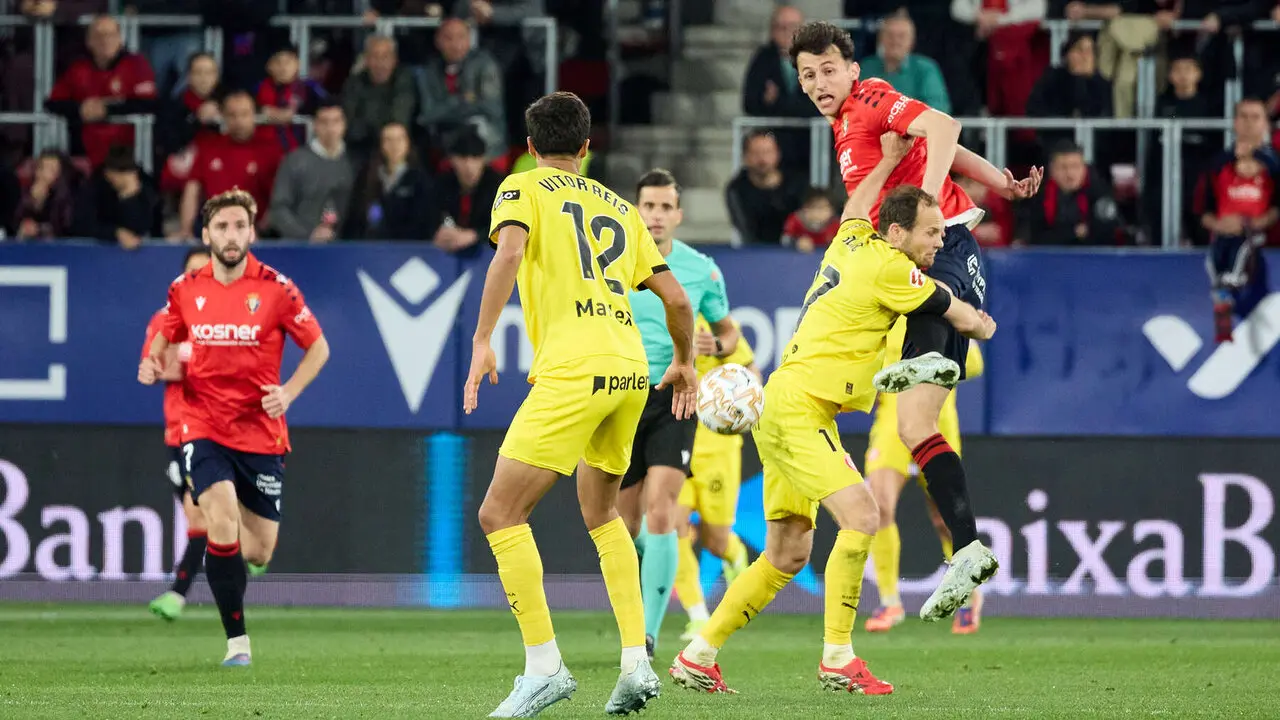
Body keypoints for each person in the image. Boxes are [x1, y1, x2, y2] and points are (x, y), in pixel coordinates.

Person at [669, 133, 996, 696]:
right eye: (932, 232)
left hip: (788, 405)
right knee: (864, 515)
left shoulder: (850, 239)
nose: (940, 241)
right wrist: (982, 323)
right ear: (898, 234)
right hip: (799, 410)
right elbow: (958, 314)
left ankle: (699, 655)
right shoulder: (893, 270)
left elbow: (854, 206)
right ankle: (838, 657)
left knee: (786, 553)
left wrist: (888, 161)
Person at [789, 20, 1041, 621]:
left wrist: (927, 206)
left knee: (926, 310)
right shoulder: (846, 122)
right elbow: (940, 146)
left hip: (942, 248)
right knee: (914, 425)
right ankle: (969, 549)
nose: (819, 82)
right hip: (926, 258)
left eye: (828, 70)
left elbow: (944, 126)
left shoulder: (870, 98)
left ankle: (950, 338)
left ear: (853, 70)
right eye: (807, 75)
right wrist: (999, 182)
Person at [462, 92, 697, 718]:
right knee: (603, 514)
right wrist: (684, 362)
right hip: (629, 370)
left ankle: (544, 668)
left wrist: (482, 339)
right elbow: (676, 300)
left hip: (574, 369)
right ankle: (636, 661)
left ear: (529, 147)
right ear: (587, 148)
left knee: (499, 513)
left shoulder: (521, 187)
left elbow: (510, 252)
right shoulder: (620, 207)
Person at [137, 189, 331, 667]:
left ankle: (239, 565)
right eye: (222, 227)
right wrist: (152, 359)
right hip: (202, 424)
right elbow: (167, 330)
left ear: (251, 232)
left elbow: (319, 347)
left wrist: (288, 392)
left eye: (239, 226)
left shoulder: (276, 289)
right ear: (207, 233)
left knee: (259, 550)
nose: (231, 235)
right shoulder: (186, 288)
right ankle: (237, 644)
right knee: (219, 519)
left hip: (261, 432)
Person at [617, 168, 740, 661]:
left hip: (675, 397)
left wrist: (717, 346)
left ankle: (645, 636)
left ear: (679, 215)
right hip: (621, 396)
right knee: (623, 526)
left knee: (663, 511)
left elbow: (729, 332)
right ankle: (637, 607)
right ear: (636, 210)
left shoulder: (702, 270)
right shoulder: (612, 260)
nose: (656, 215)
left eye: (665, 207)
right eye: (649, 206)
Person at [864, 320, 985, 635]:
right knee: (879, 505)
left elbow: (974, 363)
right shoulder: (882, 312)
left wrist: (928, 367)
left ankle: (967, 594)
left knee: (943, 518)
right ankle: (889, 601)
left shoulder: (943, 311)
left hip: (935, 419)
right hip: (892, 421)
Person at [672, 316, 757, 642]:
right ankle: (698, 616)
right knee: (671, 529)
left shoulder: (715, 322)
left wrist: (721, 356)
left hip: (718, 449)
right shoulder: (658, 318)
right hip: (676, 442)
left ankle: (734, 555)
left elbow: (752, 374)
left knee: (715, 542)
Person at [146, 246, 212, 621]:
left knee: (201, 516)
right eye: (192, 272)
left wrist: (186, 359)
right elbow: (160, 367)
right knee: (200, 518)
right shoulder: (166, 318)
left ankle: (178, 594)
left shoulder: (233, 320)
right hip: (179, 431)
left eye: (206, 271)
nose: (199, 279)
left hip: (220, 429)